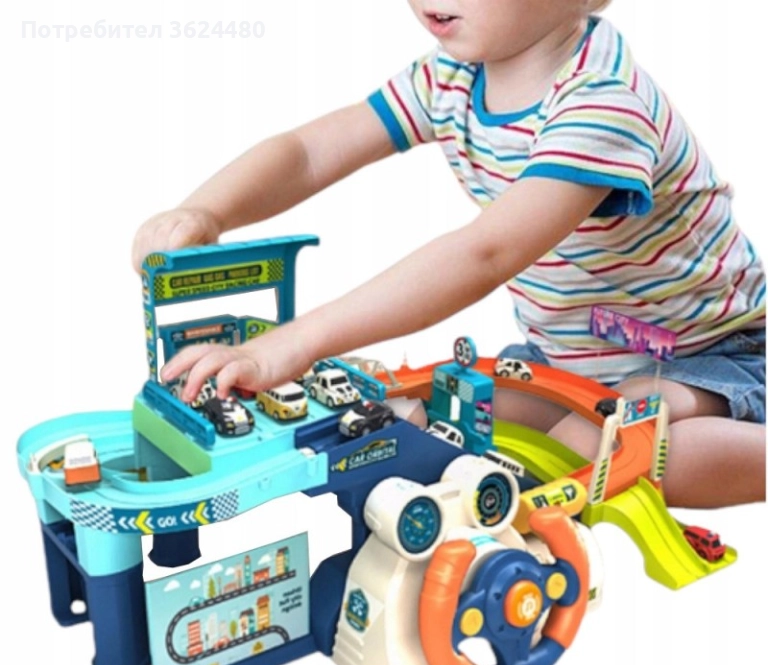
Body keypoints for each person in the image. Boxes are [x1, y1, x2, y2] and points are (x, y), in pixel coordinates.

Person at [133, 0, 765, 508]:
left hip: (707, 354)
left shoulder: (604, 103)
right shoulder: (449, 78)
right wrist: (208, 210)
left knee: (596, 451)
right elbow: (310, 152)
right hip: (570, 359)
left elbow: (486, 253)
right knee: (434, 417)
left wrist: (293, 343)